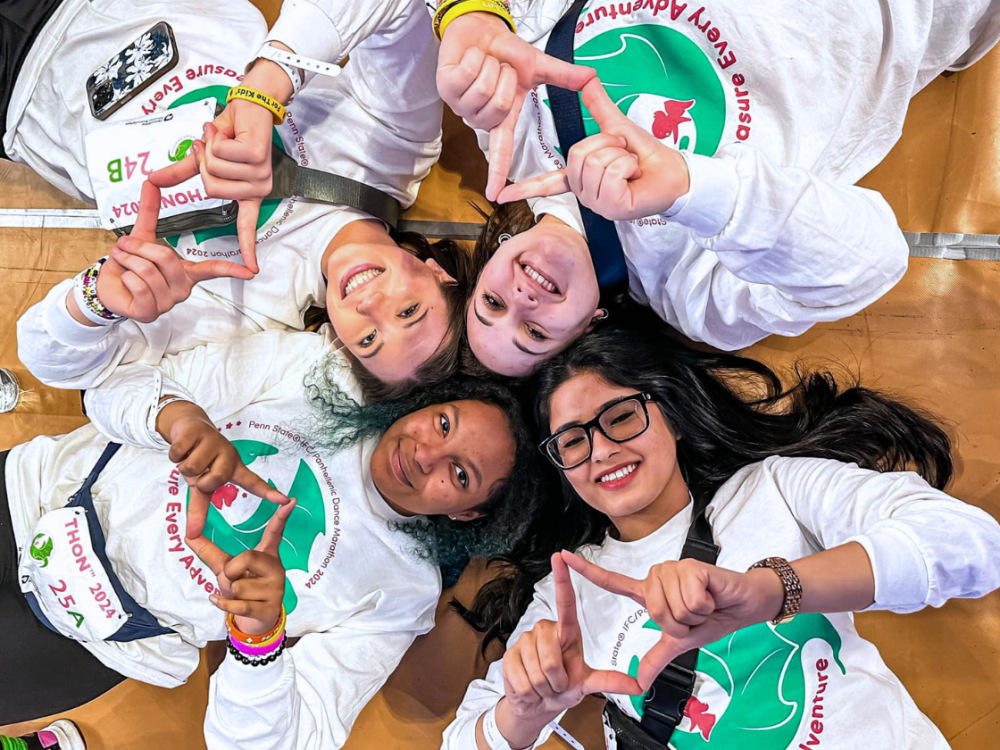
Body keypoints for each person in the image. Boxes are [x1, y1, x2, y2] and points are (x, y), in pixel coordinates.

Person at [442, 320, 1000, 749]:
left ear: (673, 418)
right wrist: (527, 710)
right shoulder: (572, 591)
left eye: (619, 417)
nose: (603, 450)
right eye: (572, 441)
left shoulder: (774, 487)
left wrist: (772, 590)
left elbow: (973, 544)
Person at [1, 319, 546, 739]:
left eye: (459, 473)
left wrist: (259, 637)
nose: (425, 453)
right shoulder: (317, 370)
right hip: (32, 492)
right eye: (443, 422)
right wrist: (178, 417)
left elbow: (270, 742)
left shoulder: (402, 593)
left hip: (86, 639)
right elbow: (106, 385)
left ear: (468, 514)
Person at [431, 0, 1000, 375]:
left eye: (493, 303)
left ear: (492, 260)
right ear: (588, 328)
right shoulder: (690, 293)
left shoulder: (508, 141)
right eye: (533, 332)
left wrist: (471, 19)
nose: (522, 302)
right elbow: (872, 259)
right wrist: (690, 188)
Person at [3, 0, 472, 397]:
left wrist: (97, 300)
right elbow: (401, 9)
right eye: (408, 311)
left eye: (368, 340)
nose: (371, 307)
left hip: (17, 101)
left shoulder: (250, 311)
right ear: (438, 274)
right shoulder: (391, 150)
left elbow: (52, 360)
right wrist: (265, 88)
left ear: (340, 345)